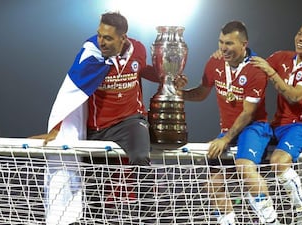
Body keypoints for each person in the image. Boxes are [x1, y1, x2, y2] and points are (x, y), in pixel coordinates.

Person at [30, 12, 187, 224]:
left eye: (108, 38)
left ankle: (149, 217)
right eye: (100, 35)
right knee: (94, 192)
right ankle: (93, 219)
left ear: (123, 38)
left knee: (141, 157)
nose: (101, 41)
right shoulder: (90, 56)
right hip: (98, 128)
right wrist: (58, 128)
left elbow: (141, 69)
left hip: (130, 121)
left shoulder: (138, 49)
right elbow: (71, 92)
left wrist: (166, 76)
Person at [179, 21, 279, 225]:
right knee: (211, 186)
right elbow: (201, 93)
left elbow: (248, 113)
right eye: (221, 42)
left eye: (229, 43)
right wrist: (178, 94)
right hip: (228, 131)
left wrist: (224, 139)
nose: (223, 48)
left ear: (244, 44)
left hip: (254, 128)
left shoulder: (256, 70)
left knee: (244, 167)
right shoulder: (214, 63)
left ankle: (271, 221)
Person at [250, 16, 302, 225]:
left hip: (300, 127)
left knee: (277, 162)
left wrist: (272, 73)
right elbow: (253, 69)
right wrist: (232, 54)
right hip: (277, 124)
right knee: (245, 155)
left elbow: (294, 95)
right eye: (300, 33)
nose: (301, 38)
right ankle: (264, 214)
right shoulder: (282, 58)